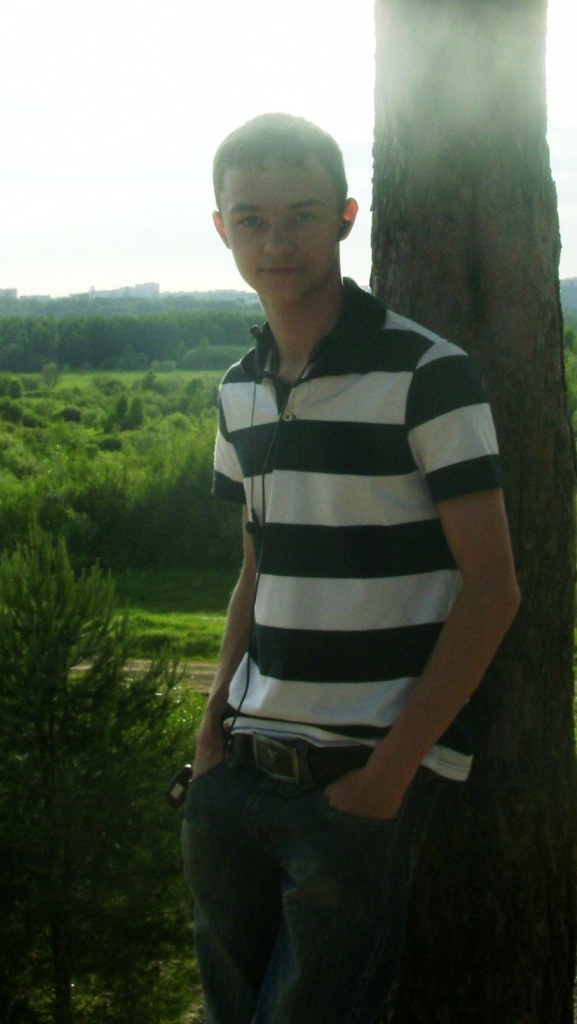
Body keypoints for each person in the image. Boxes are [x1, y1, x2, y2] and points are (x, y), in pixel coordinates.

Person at [181, 112, 520, 1024]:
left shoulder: (426, 373)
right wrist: (209, 736)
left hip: (355, 782)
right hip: (235, 773)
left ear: (343, 215)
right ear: (220, 229)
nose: (275, 242)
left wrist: (389, 776)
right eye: (250, 220)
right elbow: (256, 570)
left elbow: (493, 589)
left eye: (300, 215)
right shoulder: (237, 388)